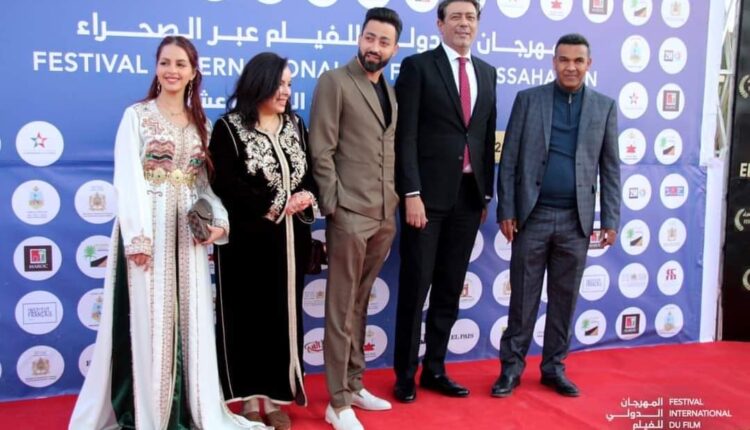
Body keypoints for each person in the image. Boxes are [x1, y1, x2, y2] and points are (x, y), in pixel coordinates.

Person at [68, 36, 265, 430]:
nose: (171, 70)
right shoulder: (137, 116)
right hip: (149, 228)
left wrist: (217, 222)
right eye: (165, 63)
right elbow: (128, 177)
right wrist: (138, 238)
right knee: (149, 319)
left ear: (193, 73)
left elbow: (204, 185)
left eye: (180, 64)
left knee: (190, 321)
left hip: (187, 235)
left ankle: (190, 408)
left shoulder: (201, 123)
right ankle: (151, 414)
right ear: (156, 68)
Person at [492, 33, 620, 398]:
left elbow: (610, 167)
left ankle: (553, 368)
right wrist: (507, 209)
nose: (571, 67)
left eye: (578, 61)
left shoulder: (604, 107)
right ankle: (511, 369)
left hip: (576, 222)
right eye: (564, 60)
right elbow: (509, 159)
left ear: (588, 64)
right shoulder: (529, 100)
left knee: (565, 301)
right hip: (532, 217)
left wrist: (611, 219)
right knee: (522, 299)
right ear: (554, 62)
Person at [393, 0, 497, 403]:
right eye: (455, 16)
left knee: (450, 289)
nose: (463, 23)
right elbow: (405, 136)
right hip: (426, 201)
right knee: (416, 288)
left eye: (470, 17)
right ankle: (405, 375)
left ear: (478, 24)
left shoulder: (486, 72)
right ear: (440, 24)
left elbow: (484, 137)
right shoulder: (418, 68)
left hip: (468, 200)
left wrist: (485, 193)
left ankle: (435, 369)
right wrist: (411, 193)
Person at [209, 52, 316, 430]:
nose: (286, 91)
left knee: (281, 318)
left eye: (289, 84)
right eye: (279, 84)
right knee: (249, 318)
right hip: (248, 244)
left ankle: (275, 398)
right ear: (260, 83)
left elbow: (309, 171)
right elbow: (225, 183)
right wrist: (275, 204)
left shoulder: (295, 124)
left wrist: (306, 196)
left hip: (291, 242)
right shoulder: (228, 128)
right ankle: (250, 400)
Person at [308, 7, 402, 430]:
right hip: (349, 215)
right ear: (359, 38)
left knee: (360, 305)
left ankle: (355, 383)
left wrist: (391, 204)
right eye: (369, 38)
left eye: (383, 41)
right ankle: (337, 401)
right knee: (340, 307)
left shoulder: (389, 91)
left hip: (383, 215)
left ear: (394, 48)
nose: (374, 47)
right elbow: (321, 150)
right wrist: (335, 207)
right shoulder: (335, 81)